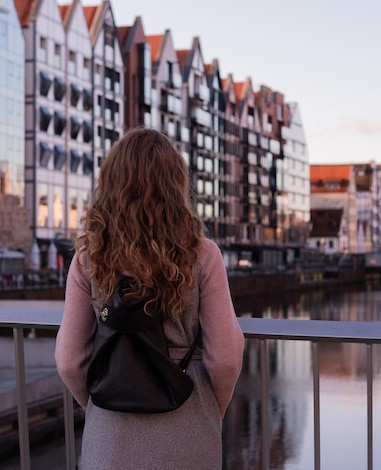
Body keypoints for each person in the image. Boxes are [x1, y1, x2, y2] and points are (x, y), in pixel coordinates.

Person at [55, 128, 245, 470]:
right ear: (175, 185)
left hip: (109, 439)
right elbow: (226, 358)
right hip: (188, 429)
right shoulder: (202, 255)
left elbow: (70, 360)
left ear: (110, 184)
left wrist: (99, 406)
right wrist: (209, 406)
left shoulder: (88, 258)